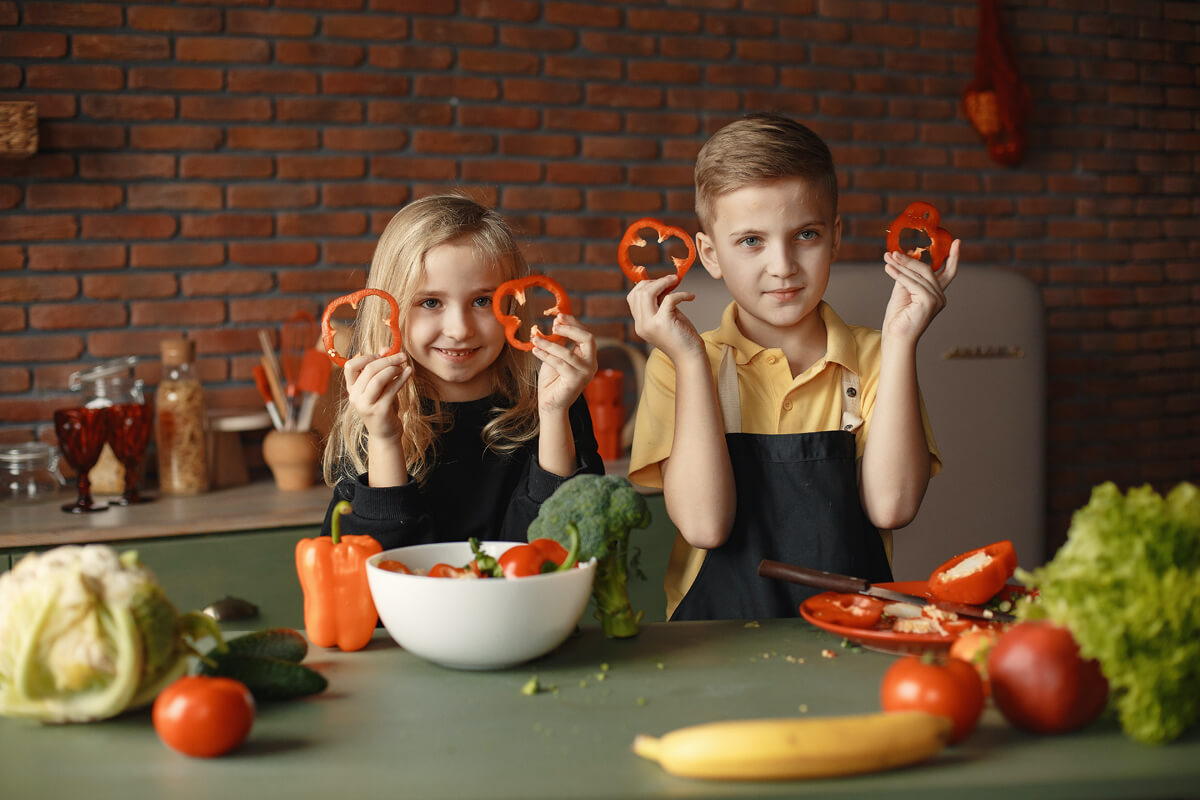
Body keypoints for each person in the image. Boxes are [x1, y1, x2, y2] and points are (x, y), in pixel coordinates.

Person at [626, 113, 959, 620]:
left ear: (836, 236)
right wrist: (692, 361)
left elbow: (892, 507)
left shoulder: (874, 358)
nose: (782, 265)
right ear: (711, 255)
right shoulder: (679, 363)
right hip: (714, 645)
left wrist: (901, 341)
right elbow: (704, 526)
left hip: (850, 639)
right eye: (751, 241)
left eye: (805, 234)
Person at [320, 194, 604, 548]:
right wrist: (385, 438)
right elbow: (374, 567)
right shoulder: (372, 417)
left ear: (514, 302)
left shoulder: (553, 401)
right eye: (430, 302)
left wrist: (553, 414)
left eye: (482, 301)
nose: (459, 329)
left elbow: (564, 550)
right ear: (387, 309)